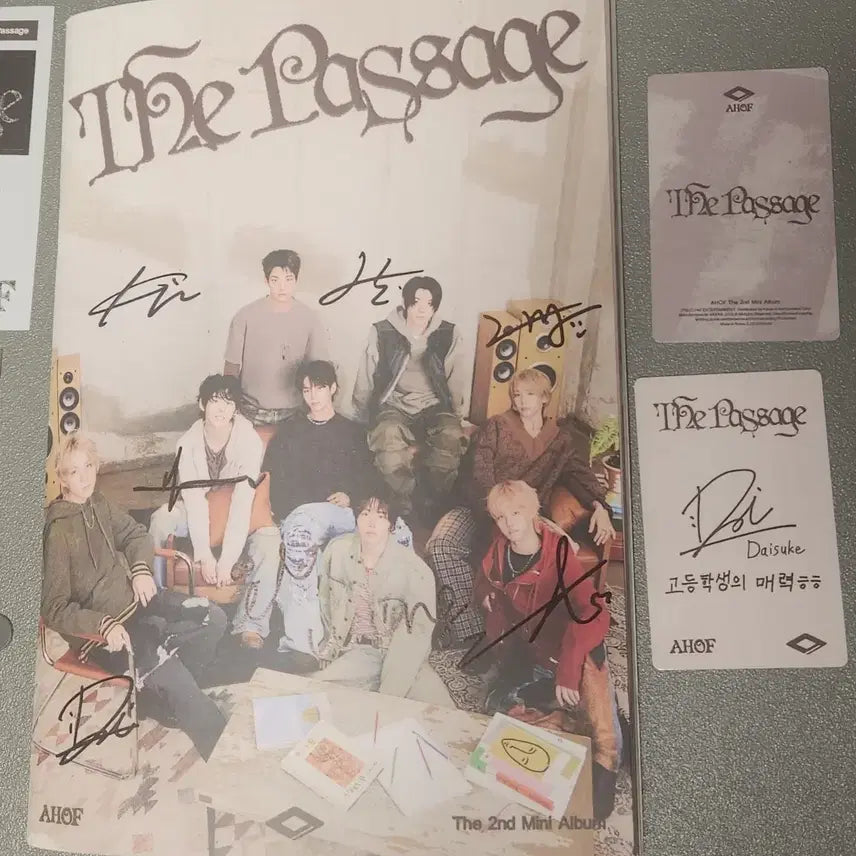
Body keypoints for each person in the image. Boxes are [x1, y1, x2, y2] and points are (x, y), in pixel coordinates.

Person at [41, 432, 227, 761]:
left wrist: (141, 570)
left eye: (88, 466)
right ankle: (226, 756)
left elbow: (135, 534)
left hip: (136, 604)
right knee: (165, 667)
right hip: (103, 634)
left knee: (213, 617)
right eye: (74, 471)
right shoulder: (57, 531)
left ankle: (161, 699)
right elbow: (54, 608)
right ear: (61, 478)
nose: (84, 477)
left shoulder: (99, 503)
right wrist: (104, 625)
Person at [235, 360, 411, 662]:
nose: (312, 396)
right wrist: (312, 504)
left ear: (333, 389)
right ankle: (303, 643)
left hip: (345, 513)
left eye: (319, 388)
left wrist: (351, 496)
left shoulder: (352, 432)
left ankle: (395, 633)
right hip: (304, 515)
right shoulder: (290, 432)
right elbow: (276, 485)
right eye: (306, 390)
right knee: (301, 535)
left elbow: (370, 481)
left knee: (401, 532)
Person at [426, 367, 615, 646]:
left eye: (530, 394)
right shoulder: (496, 426)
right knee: (441, 545)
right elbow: (479, 473)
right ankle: (472, 630)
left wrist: (599, 507)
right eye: (516, 395)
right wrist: (496, 510)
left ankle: (536, 634)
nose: (522, 401)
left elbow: (579, 475)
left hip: (524, 519)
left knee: (559, 553)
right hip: (478, 508)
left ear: (544, 398)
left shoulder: (560, 439)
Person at [474, 480, 622, 820]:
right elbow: (484, 580)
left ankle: (606, 756)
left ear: (533, 512)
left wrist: (569, 667)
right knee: (495, 708)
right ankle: (565, 721)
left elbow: (594, 612)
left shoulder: (558, 554)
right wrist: (485, 594)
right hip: (533, 654)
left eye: (517, 513)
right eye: (501, 517)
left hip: (571, 651)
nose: (510, 523)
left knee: (592, 664)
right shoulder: (499, 550)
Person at [148, 375, 282, 618]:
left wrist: (227, 560)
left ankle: (250, 625)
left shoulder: (249, 440)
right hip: (200, 508)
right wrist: (204, 555)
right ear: (202, 404)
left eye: (229, 403)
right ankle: (156, 600)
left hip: (237, 509)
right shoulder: (186, 444)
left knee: (270, 540)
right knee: (161, 518)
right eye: (215, 401)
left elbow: (242, 502)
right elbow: (194, 501)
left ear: (235, 409)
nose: (222, 409)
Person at [312, 493, 453, 705]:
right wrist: (329, 647)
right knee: (314, 693)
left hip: (400, 654)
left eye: (381, 516)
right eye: (365, 514)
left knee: (444, 710)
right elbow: (323, 601)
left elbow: (415, 637)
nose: (371, 523)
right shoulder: (337, 551)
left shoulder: (415, 570)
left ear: (391, 524)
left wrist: (389, 694)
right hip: (357, 652)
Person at [352, 275, 467, 516]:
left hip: (434, 405)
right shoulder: (383, 331)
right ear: (405, 303)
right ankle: (401, 504)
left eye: (429, 303)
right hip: (393, 404)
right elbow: (366, 375)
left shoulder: (448, 333)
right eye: (416, 302)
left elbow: (456, 378)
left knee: (450, 434)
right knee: (387, 434)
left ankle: (433, 502)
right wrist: (361, 415)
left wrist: (458, 416)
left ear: (435, 307)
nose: (422, 310)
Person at [224, 249, 328, 426]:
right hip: (250, 411)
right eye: (275, 280)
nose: (282, 287)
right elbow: (231, 369)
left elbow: (318, 370)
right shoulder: (245, 316)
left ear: (296, 280)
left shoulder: (310, 318)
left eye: (288, 279)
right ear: (266, 280)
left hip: (295, 413)